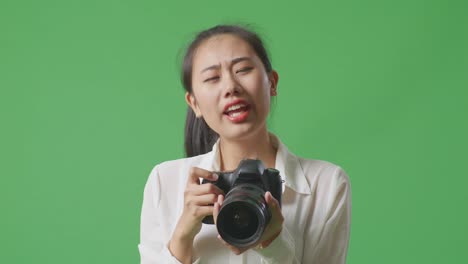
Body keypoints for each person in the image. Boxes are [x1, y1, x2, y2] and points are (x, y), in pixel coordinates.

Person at [138, 24, 351, 264]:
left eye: (243, 69)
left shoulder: (326, 183)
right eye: (212, 78)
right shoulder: (165, 181)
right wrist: (183, 236)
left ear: (272, 83)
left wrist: (274, 244)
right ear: (194, 103)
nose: (231, 87)